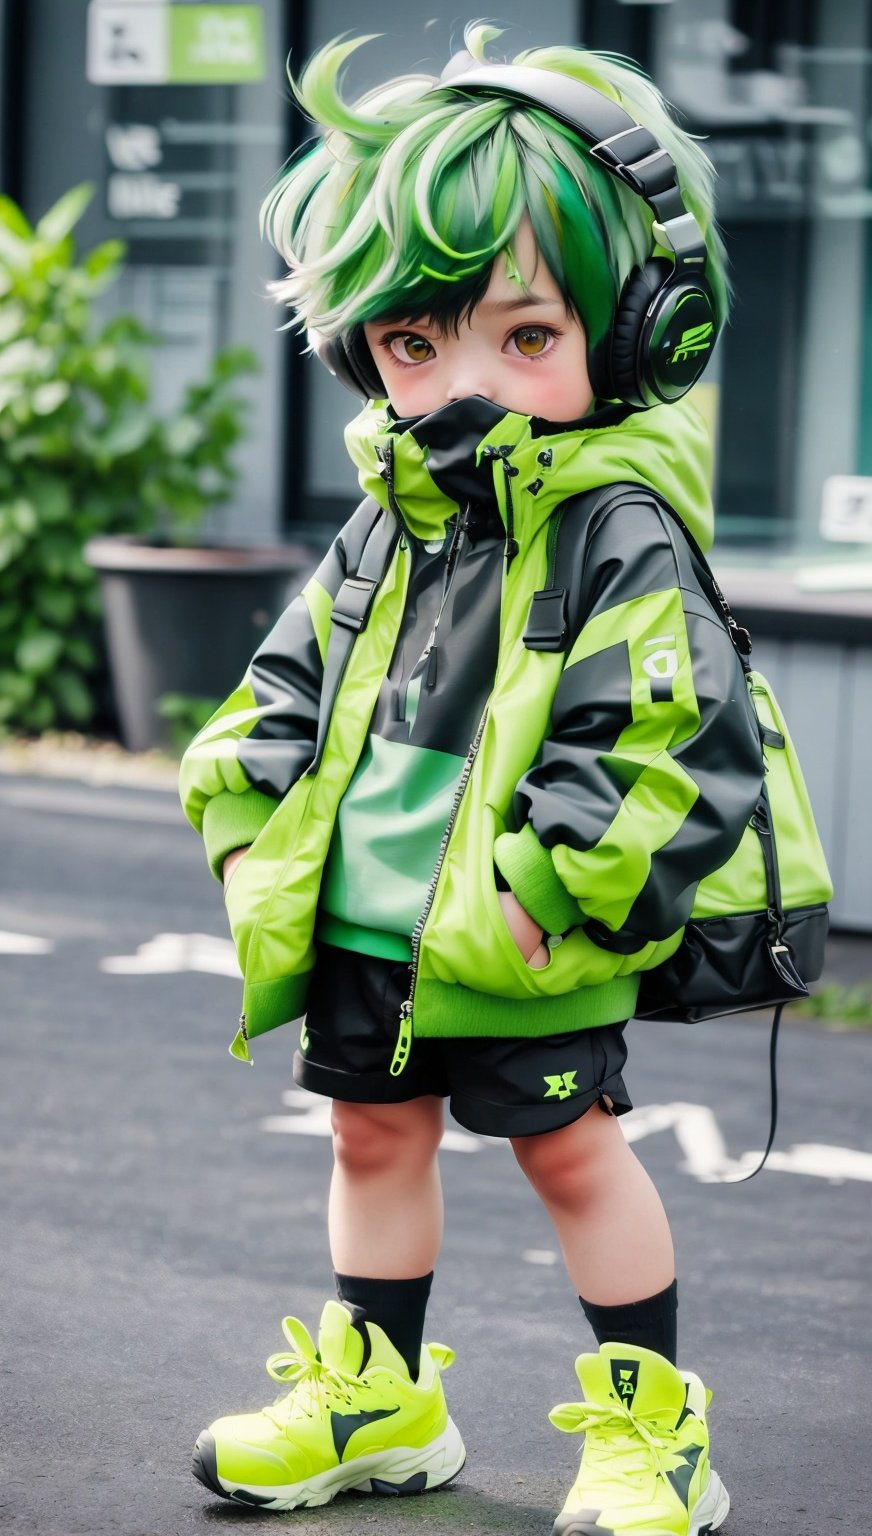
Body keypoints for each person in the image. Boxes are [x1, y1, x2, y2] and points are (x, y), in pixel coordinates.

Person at [178, 23, 766, 1535]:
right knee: (372, 1136)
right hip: (372, 919)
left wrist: (544, 892)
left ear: (637, 335)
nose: (461, 386)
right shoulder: (390, 515)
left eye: (527, 336)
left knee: (572, 1155)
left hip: (519, 926)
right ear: (359, 348)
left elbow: (668, 741)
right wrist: (251, 840)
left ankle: (655, 1431)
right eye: (411, 344)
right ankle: (380, 1393)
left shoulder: (619, 529)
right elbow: (282, 689)